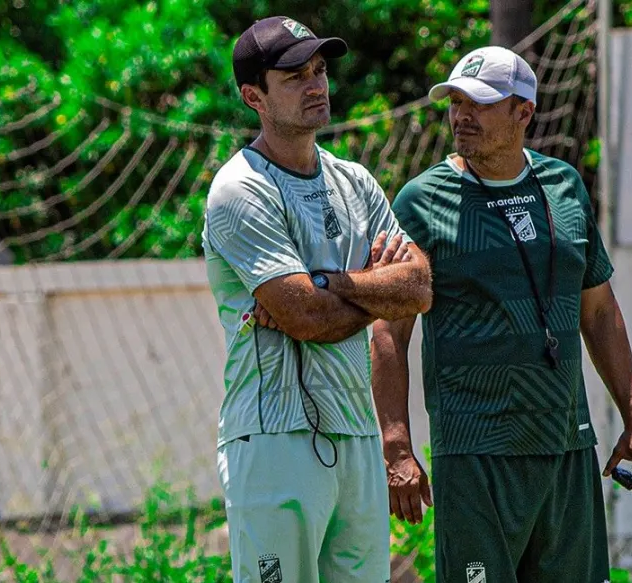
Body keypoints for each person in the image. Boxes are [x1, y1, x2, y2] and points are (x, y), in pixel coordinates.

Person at [371, 46, 632, 583]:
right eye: (455, 102)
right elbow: (389, 331)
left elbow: (598, 311)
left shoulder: (564, 187)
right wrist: (397, 448)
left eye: (479, 103)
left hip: (566, 443)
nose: (461, 116)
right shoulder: (421, 200)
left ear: (523, 112)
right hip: (475, 451)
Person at [201, 16, 433, 583]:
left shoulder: (354, 179)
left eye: (320, 70)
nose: (316, 85)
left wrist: (330, 284)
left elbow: (422, 284)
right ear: (252, 95)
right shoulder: (240, 188)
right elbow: (306, 318)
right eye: (294, 76)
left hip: (356, 432)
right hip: (275, 435)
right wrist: (375, 290)